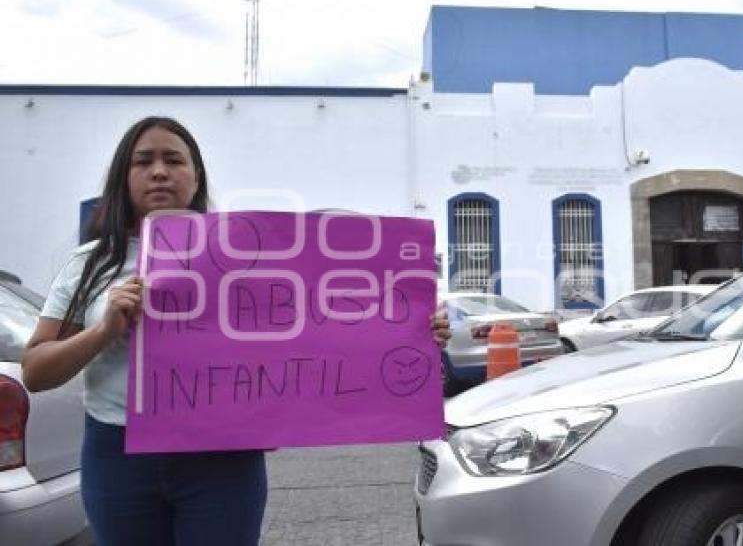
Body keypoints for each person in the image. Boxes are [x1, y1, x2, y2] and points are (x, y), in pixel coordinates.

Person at [21, 116, 451, 546]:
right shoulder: (90, 263)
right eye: (143, 161)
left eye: (174, 160)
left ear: (196, 176)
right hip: (118, 456)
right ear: (123, 176)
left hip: (222, 459)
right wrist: (101, 331)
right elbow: (36, 372)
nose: (159, 171)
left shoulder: (247, 256)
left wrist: (412, 330)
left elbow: (321, 331)